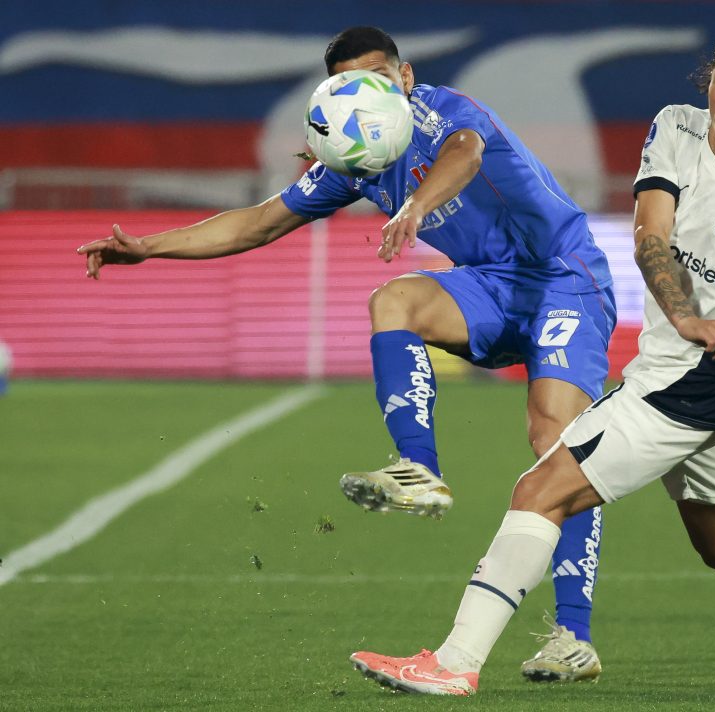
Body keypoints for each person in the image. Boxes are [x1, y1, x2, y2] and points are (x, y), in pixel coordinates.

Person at [348, 25, 715, 697]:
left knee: (539, 490)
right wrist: (687, 315)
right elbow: (650, 235)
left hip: (694, 384)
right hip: (688, 369)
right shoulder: (676, 126)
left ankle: (456, 662)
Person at [76, 25, 616, 683]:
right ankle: (419, 471)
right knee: (394, 300)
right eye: (348, 87)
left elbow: (467, 153)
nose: (367, 99)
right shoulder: (356, 158)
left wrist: (415, 205)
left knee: (556, 442)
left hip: (563, 278)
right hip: (492, 288)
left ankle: (572, 637)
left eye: (378, 80)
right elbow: (259, 222)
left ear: (405, 78)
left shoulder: (444, 111)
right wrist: (149, 248)